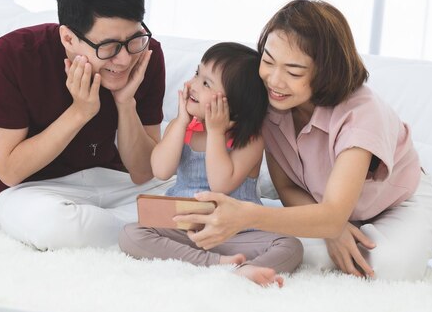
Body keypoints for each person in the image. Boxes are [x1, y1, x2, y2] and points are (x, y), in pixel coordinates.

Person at [174, 0, 432, 281]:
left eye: (293, 72)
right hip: (325, 206)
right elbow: (286, 185)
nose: (275, 81)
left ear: (326, 73)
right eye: (268, 61)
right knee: (296, 252)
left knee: (384, 267)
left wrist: (251, 215)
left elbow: (331, 214)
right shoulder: (269, 104)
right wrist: (333, 228)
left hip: (395, 203)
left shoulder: (362, 115)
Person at [0, 0, 173, 250]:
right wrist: (80, 112)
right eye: (108, 47)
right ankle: (158, 230)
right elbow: (10, 171)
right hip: (35, 190)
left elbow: (143, 172)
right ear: (68, 37)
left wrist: (125, 103)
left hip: (120, 185)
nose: (123, 59)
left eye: (133, 39)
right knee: (57, 227)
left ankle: (154, 228)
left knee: (195, 203)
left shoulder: (144, 54)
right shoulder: (14, 55)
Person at [118, 43, 303, 287]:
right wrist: (181, 121)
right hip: (186, 230)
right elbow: (160, 170)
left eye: (207, 83)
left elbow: (221, 183)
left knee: (290, 245)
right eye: (197, 73)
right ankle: (214, 262)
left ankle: (247, 269)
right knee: (131, 234)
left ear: (235, 105)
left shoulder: (250, 140)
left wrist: (216, 132)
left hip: (236, 232)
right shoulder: (182, 127)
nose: (193, 84)